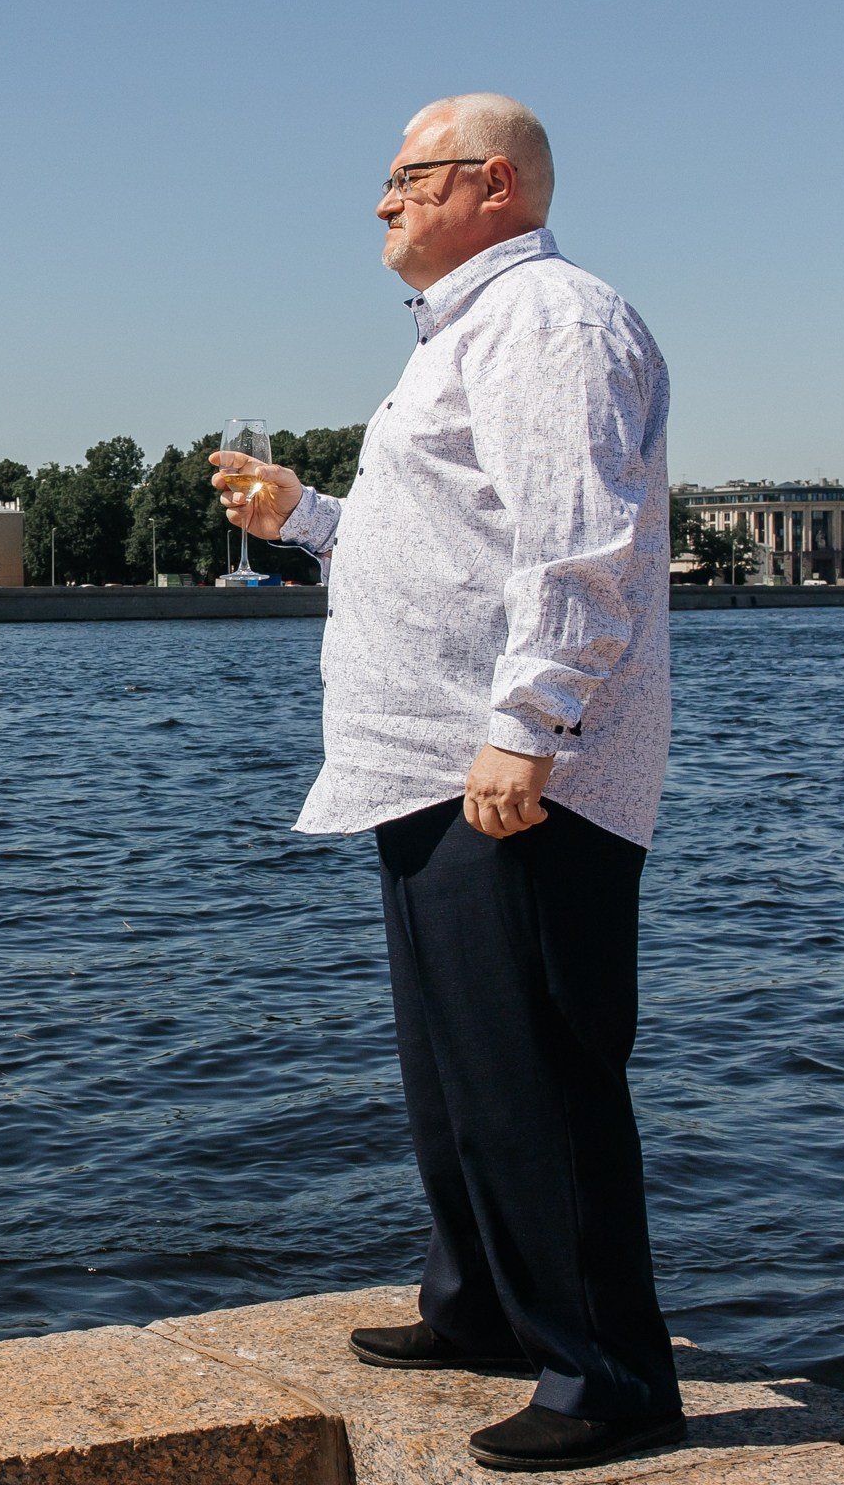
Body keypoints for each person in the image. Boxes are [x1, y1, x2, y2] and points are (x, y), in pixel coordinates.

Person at [214, 94, 681, 1474]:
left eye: (404, 178)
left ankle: (607, 1375)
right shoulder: (463, 340)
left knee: (537, 1073)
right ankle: (481, 1305)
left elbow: (581, 543)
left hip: (516, 772)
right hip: (432, 762)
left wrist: (528, 729)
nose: (381, 202)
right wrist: (302, 520)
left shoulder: (551, 320)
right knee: (462, 1075)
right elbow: (442, 545)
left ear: (490, 183)